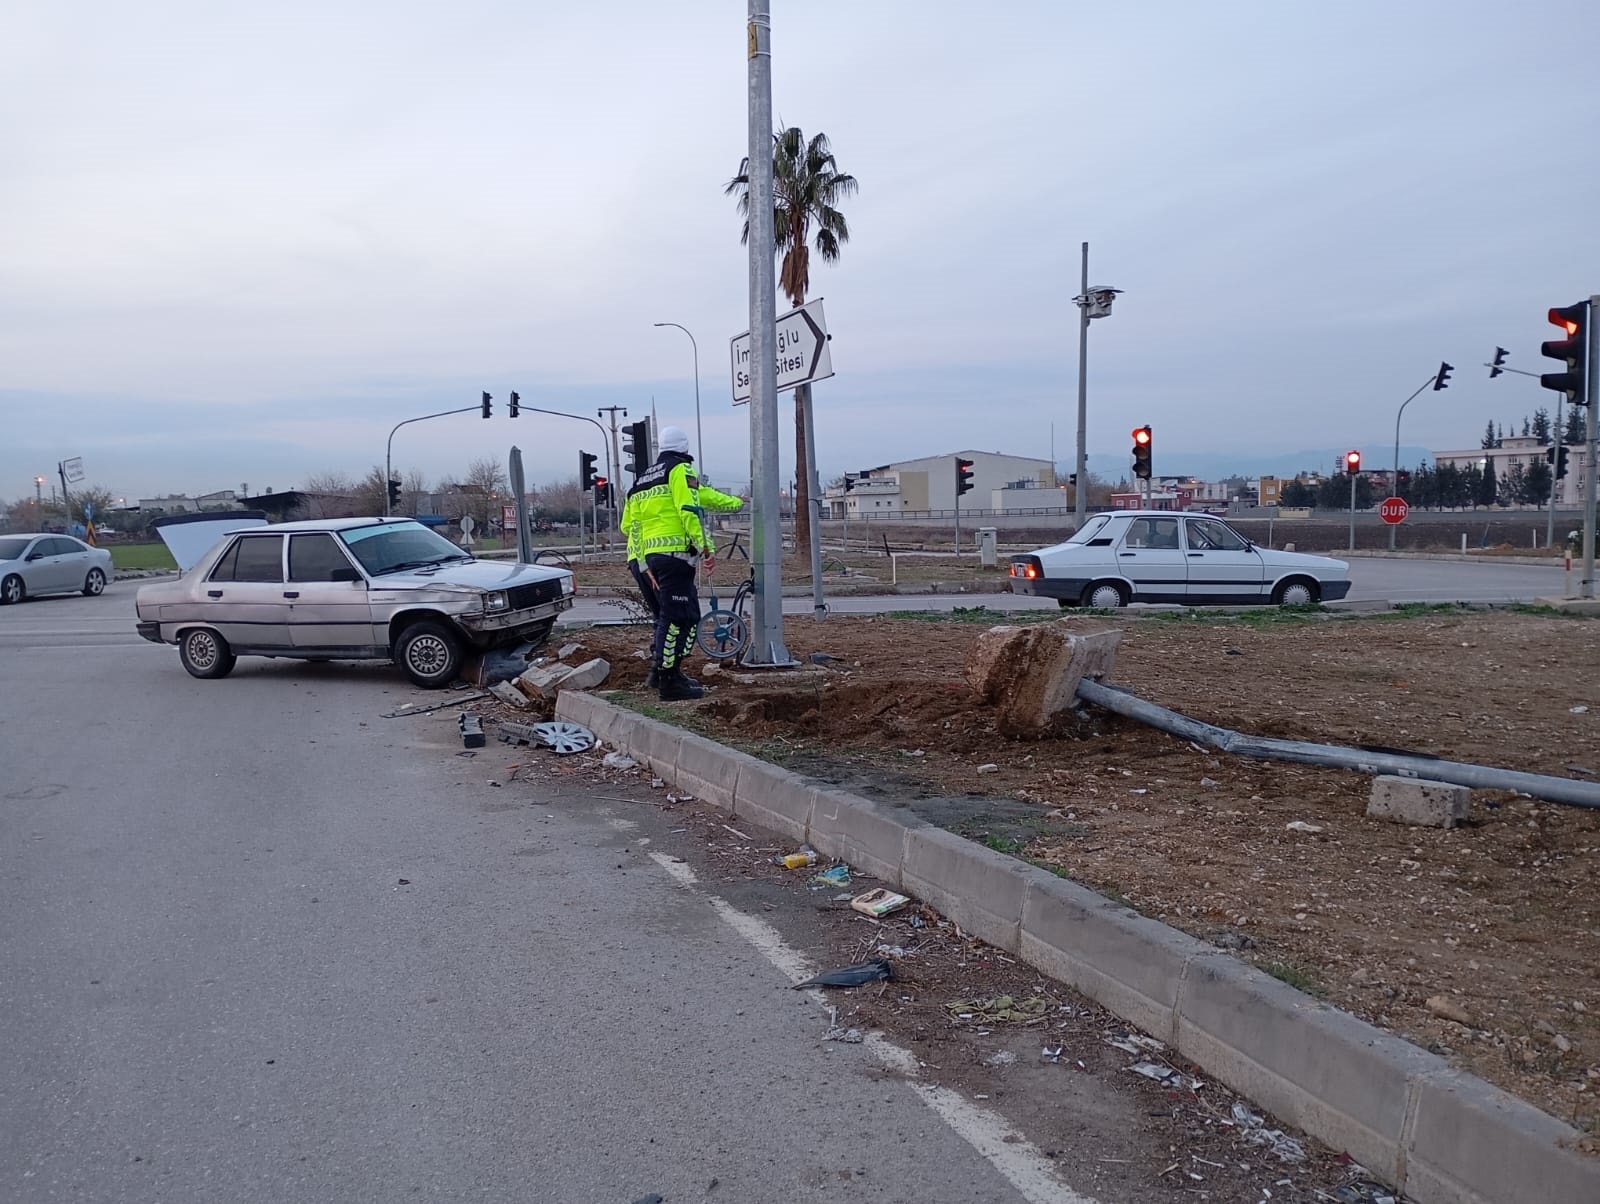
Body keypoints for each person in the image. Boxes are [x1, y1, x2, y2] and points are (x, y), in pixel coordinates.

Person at [621, 426, 731, 701]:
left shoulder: (641, 480)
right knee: (676, 618)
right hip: (673, 557)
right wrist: (707, 546)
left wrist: (735, 503)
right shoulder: (681, 470)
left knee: (675, 617)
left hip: (642, 560)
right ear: (685, 448)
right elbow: (689, 509)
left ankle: (663, 675)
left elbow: (627, 525)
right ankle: (669, 681)